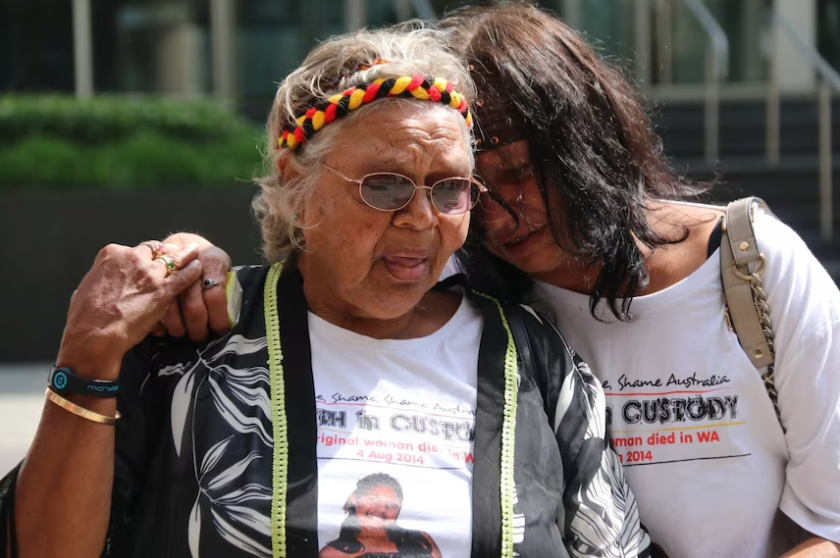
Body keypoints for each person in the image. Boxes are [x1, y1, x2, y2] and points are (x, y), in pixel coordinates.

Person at [161, 3, 840, 558]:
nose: (500, 212)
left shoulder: (749, 268)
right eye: (476, 187)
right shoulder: (470, 277)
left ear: (587, 145)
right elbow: (332, 257)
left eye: (520, 173)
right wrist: (193, 264)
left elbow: (829, 525)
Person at [0, 23, 653, 558]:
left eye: (449, 187)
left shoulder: (533, 363)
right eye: (385, 184)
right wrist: (87, 358)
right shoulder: (191, 343)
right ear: (294, 185)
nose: (421, 219)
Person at [319, 473, 441, 558]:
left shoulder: (421, 540)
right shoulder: (334, 553)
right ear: (354, 499)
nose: (382, 509)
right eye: (373, 500)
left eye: (392, 505)